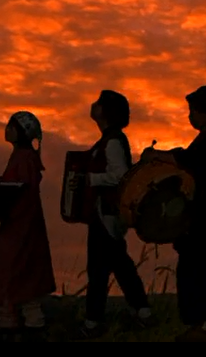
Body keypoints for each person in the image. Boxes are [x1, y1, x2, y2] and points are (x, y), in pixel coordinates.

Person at [141, 86, 206, 342]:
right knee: (200, 265)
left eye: (193, 111)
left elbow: (186, 160)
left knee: (193, 267)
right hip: (205, 212)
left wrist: (158, 156)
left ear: (205, 113)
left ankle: (204, 323)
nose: (191, 117)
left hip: (204, 214)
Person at [77, 90, 153, 338]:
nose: (94, 105)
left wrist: (91, 179)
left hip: (106, 215)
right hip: (106, 215)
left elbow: (121, 176)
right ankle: (142, 312)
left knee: (100, 269)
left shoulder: (112, 142)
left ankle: (93, 322)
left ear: (106, 112)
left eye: (99, 103)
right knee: (119, 266)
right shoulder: (110, 140)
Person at [0, 111, 57, 341]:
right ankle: (24, 325)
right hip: (22, 224)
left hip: (20, 226)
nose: (6, 129)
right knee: (23, 277)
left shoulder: (23, 158)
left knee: (10, 275)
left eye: (11, 126)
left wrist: (1, 186)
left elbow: (20, 191)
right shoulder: (25, 157)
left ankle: (13, 327)